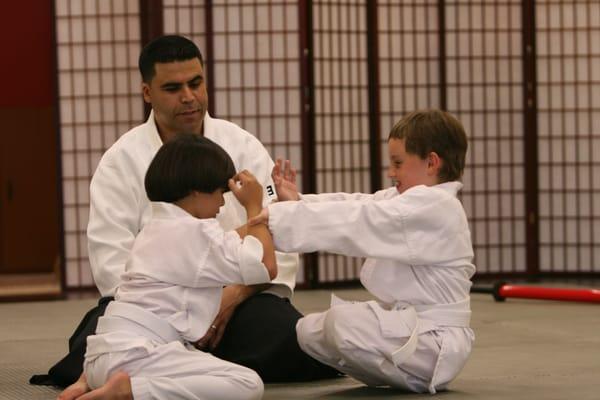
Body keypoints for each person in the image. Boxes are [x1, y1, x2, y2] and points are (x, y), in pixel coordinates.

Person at [36, 34, 337, 397]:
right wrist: (183, 311)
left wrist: (229, 298)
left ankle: (133, 375)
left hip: (237, 303)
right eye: (173, 87)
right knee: (91, 337)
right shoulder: (121, 160)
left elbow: (280, 241)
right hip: (154, 310)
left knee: (300, 341)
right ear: (147, 92)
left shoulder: (241, 144)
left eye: (196, 83)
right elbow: (112, 264)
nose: (189, 97)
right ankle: (177, 366)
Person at [252, 109, 475, 394]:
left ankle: (414, 374)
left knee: (341, 324)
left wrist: (280, 218)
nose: (391, 172)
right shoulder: (408, 200)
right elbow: (357, 203)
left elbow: (359, 218)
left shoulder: (436, 206)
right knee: (307, 332)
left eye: (397, 163)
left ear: (431, 162)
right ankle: (401, 372)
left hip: (436, 341)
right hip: (416, 331)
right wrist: (297, 203)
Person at [85, 134, 276, 400]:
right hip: (135, 356)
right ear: (197, 191)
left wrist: (279, 209)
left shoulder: (156, 227)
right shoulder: (196, 233)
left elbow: (231, 241)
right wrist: (255, 206)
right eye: (220, 193)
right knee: (247, 382)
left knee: (196, 360)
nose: (223, 203)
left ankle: (95, 383)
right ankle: (130, 392)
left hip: (101, 356)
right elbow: (265, 267)